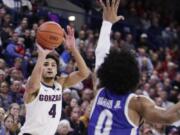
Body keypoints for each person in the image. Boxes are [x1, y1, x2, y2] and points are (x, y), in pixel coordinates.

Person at [88, 0, 180, 135]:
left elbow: (101, 54)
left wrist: (107, 23)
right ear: (133, 76)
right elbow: (170, 116)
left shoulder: (99, 90)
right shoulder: (136, 103)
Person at [19, 26, 89, 135]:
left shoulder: (59, 84)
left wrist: (73, 49)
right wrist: (42, 55)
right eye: (46, 65)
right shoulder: (34, 83)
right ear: (40, 68)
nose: (50, 67)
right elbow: (32, 87)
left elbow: (84, 73)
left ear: (57, 71)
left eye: (53, 65)